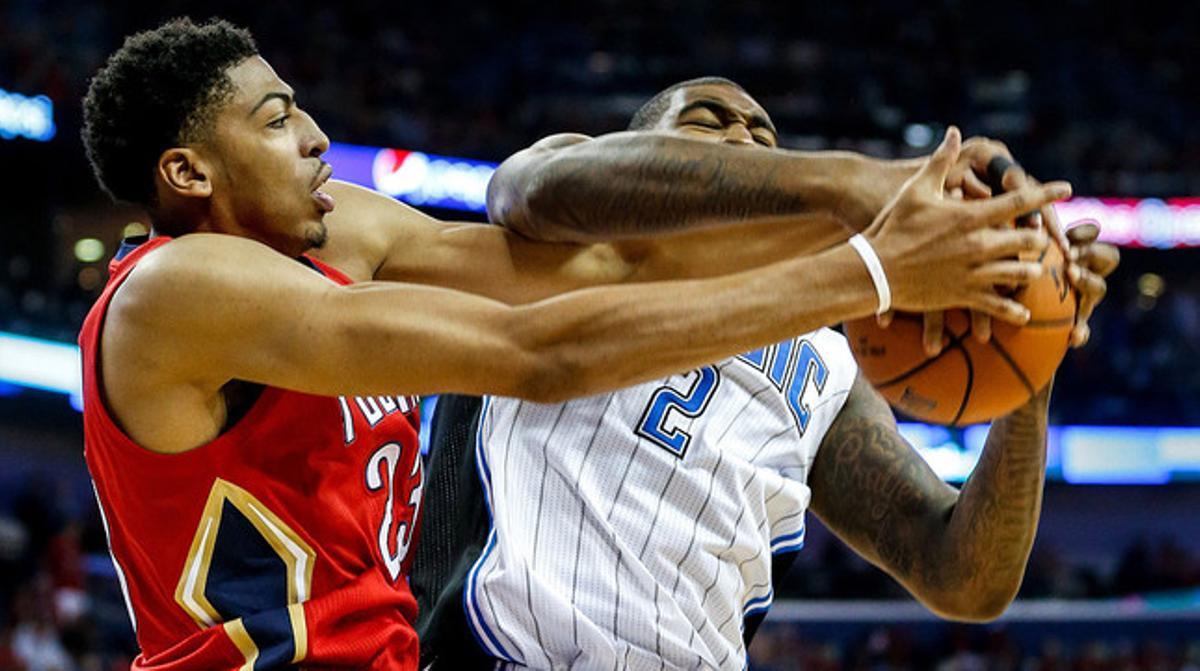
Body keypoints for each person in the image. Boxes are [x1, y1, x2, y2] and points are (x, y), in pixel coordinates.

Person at [79, 17, 1064, 667]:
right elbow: (535, 339)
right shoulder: (178, 287)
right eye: (276, 117)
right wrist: (873, 252)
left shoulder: (347, 237)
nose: (314, 137)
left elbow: (606, 271)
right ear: (188, 171)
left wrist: (994, 291)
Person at [410, 78, 1119, 669]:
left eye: (762, 133)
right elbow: (530, 192)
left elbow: (964, 577)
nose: (744, 138)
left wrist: (1030, 355)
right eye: (707, 120)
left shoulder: (822, 346)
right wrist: (851, 188)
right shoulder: (562, 233)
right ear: (633, 145)